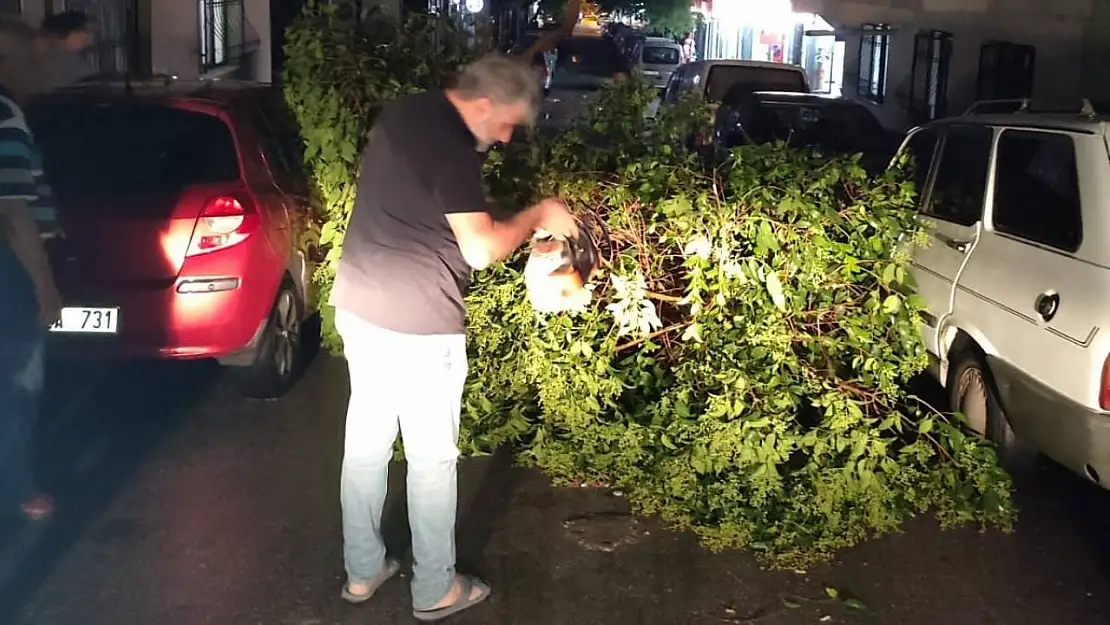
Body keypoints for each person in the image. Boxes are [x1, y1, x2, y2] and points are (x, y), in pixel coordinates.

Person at [329, 52, 578, 622]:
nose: (508, 135)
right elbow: (482, 250)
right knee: (431, 459)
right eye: (508, 122)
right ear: (483, 104)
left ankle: (363, 572)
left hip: (362, 304)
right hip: (419, 323)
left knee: (365, 447)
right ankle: (435, 588)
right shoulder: (453, 151)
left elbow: (422, 202)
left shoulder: (406, 112)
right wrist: (539, 212)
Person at [0, 61, 65, 522]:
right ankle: (18, 488)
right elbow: (15, 213)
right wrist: (45, 287)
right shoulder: (5, 115)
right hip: (9, 275)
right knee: (18, 388)